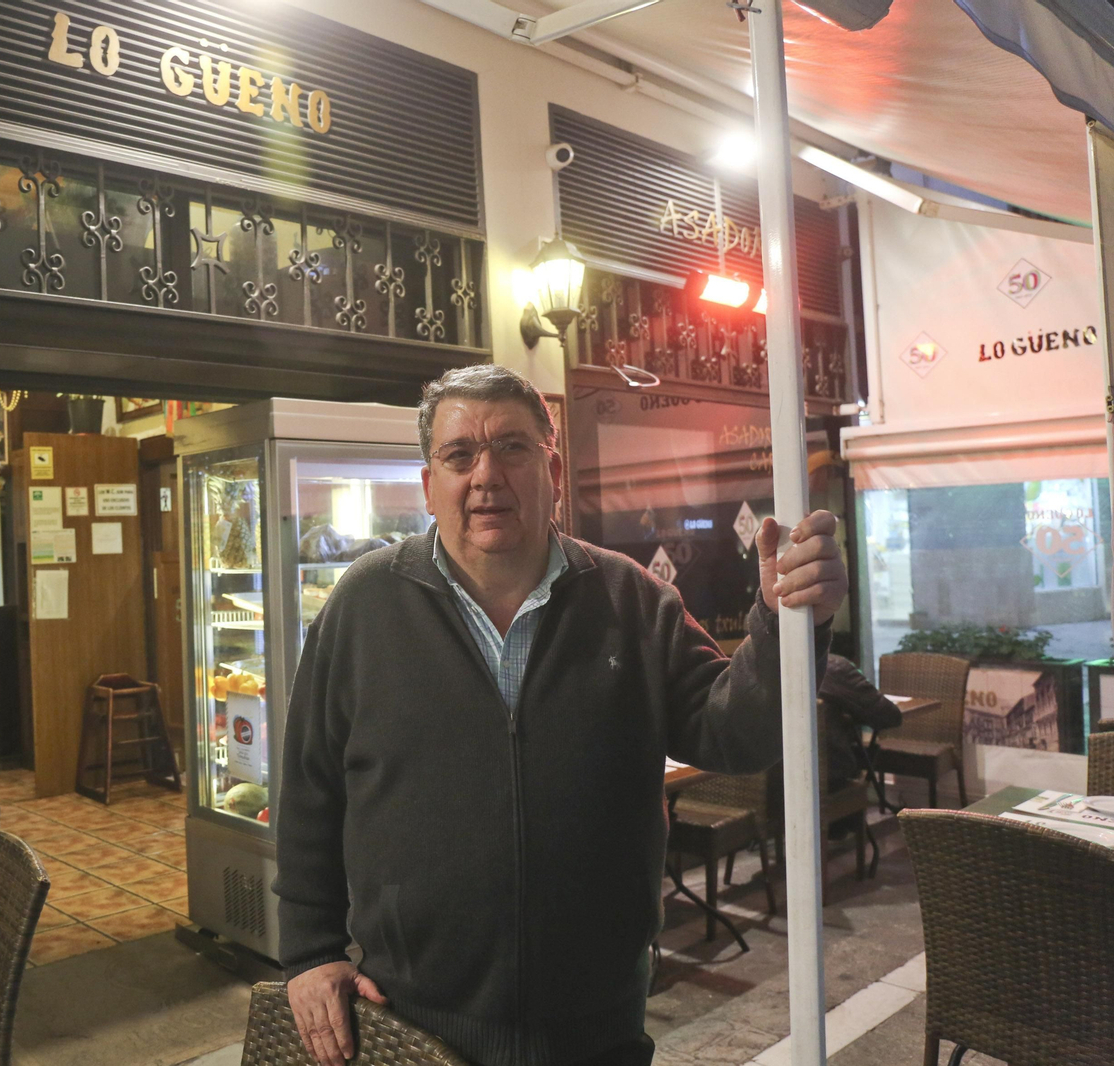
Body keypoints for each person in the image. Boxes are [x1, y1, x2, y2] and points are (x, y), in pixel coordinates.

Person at [274, 365, 848, 1066]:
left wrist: (788, 620)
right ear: (430, 485)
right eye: (460, 455)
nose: (487, 476)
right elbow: (309, 790)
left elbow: (736, 731)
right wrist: (308, 953)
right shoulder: (363, 605)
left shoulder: (631, 599)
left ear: (552, 468)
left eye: (512, 448)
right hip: (409, 1015)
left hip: (595, 1021)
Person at [819, 653, 901, 792]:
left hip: (775, 786)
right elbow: (889, 716)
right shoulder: (832, 667)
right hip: (829, 781)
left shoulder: (771, 666)